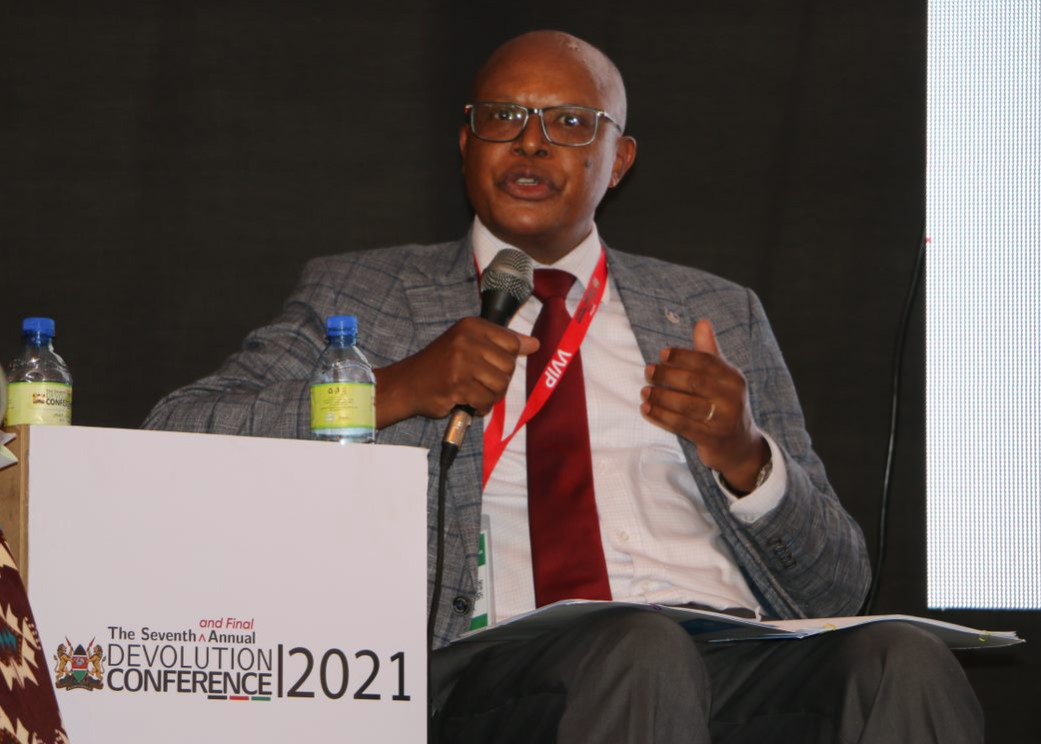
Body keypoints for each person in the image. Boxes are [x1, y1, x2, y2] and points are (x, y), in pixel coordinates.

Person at [144, 30, 983, 744]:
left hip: (732, 655)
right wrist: (392, 388)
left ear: (618, 161)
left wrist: (743, 457)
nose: (533, 144)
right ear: (466, 144)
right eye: (504, 118)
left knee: (900, 659)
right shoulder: (369, 295)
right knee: (638, 647)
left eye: (571, 123)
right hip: (504, 665)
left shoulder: (714, 310)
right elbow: (177, 435)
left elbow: (836, 585)